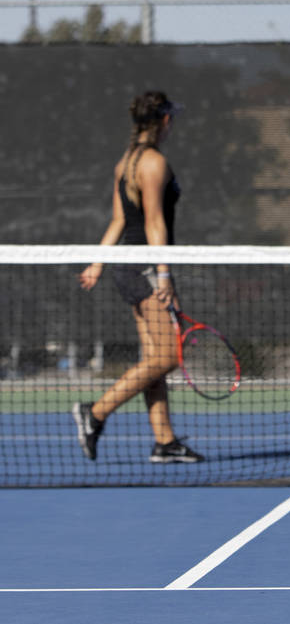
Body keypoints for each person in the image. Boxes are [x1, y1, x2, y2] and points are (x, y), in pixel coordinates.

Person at [74, 91, 203, 463]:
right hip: (144, 269)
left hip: (126, 268)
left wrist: (98, 263)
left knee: (154, 357)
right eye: (171, 118)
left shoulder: (126, 162)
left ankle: (164, 442)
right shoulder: (153, 163)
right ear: (164, 121)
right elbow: (153, 221)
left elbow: (118, 220)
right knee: (168, 355)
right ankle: (95, 413)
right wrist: (163, 275)